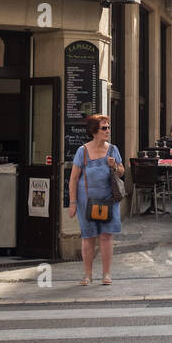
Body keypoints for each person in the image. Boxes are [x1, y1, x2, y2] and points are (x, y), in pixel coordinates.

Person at [68, 114, 124, 285]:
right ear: (94, 131)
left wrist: (114, 166)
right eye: (104, 128)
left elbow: (122, 172)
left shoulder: (113, 150)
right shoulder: (82, 151)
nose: (108, 131)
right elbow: (73, 178)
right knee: (88, 236)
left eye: (108, 127)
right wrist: (72, 202)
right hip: (87, 201)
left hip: (108, 200)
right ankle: (87, 274)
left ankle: (106, 274)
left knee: (106, 236)